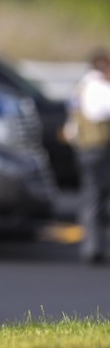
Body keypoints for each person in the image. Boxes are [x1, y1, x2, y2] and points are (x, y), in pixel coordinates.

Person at [67, 50, 110, 264]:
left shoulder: (82, 85)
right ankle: (93, 247)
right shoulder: (98, 86)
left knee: (91, 196)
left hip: (84, 148)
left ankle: (92, 245)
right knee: (96, 198)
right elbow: (101, 111)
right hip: (98, 148)